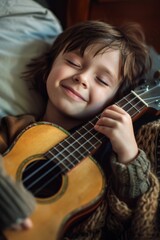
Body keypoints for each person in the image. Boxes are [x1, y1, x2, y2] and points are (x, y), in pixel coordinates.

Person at [0, 20, 159, 239]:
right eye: (73, 62)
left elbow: (130, 217)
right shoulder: (15, 128)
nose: (82, 78)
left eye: (102, 80)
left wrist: (129, 156)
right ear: (48, 69)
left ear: (114, 101)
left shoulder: (110, 156)